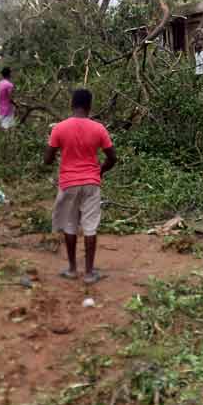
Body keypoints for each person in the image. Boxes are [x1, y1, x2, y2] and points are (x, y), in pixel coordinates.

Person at [44, 89, 117, 284]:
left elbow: (47, 160)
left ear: (71, 104)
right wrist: (100, 171)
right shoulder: (98, 129)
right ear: (89, 106)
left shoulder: (59, 128)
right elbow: (112, 158)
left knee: (70, 225)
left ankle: (72, 269)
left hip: (68, 183)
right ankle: (90, 273)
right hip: (91, 183)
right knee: (90, 227)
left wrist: (54, 147)